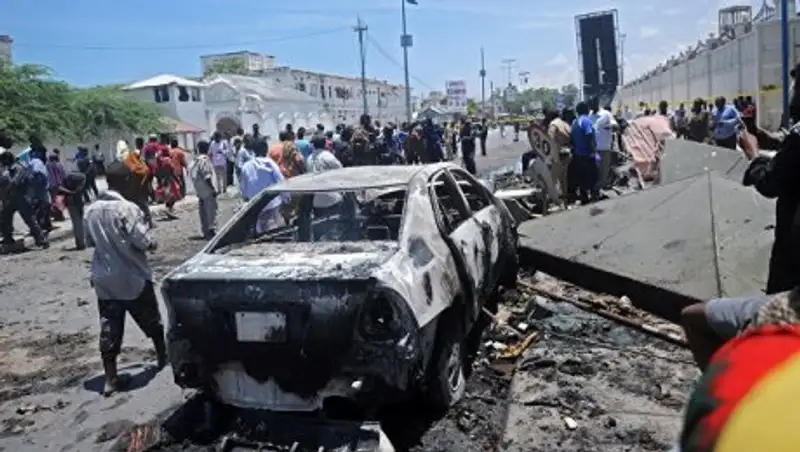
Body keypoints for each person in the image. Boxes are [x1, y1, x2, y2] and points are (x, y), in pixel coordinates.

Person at [680, 74, 800, 371]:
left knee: (698, 319)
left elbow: (769, 183)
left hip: (793, 266)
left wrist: (754, 156)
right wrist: (782, 145)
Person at [84, 177, 167, 396]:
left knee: (109, 325)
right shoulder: (126, 208)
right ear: (126, 184)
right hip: (132, 275)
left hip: (104, 276)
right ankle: (162, 358)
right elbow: (142, 240)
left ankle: (110, 377)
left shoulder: (90, 211)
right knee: (152, 320)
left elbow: (89, 241)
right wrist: (153, 242)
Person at [0, 148, 49, 248]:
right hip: (11, 198)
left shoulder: (19, 168)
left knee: (30, 220)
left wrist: (5, 177)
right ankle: (8, 238)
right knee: (4, 218)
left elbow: (14, 182)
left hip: (22, 198)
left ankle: (41, 240)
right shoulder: (9, 170)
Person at [239, 139, 287, 232]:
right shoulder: (270, 163)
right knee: (275, 229)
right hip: (272, 203)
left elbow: (243, 189)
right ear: (266, 149)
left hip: (255, 203)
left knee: (259, 229)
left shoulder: (246, 166)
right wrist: (286, 198)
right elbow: (281, 181)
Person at [569, 101, 599, 204]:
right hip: (587, 154)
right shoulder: (586, 120)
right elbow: (589, 134)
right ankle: (594, 196)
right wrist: (592, 150)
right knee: (593, 175)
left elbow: (571, 139)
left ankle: (584, 197)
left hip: (578, 155)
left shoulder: (574, 122)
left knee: (582, 177)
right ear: (586, 110)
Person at [189, 140, 218, 239]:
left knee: (203, 211)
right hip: (207, 189)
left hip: (199, 190)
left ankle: (205, 229)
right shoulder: (204, 160)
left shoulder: (195, 160)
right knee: (211, 210)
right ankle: (211, 230)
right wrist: (213, 188)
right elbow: (207, 176)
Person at [589, 99, 618, 189]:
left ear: (597, 104)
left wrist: (610, 126)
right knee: (595, 172)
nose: (591, 107)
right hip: (593, 149)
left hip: (604, 148)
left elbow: (616, 126)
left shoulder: (606, 114)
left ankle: (601, 191)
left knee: (603, 172)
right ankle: (597, 191)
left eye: (592, 104)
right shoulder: (589, 115)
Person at [58, 169, 87, 250]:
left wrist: (69, 192)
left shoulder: (66, 179)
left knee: (75, 223)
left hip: (70, 201)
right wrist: (74, 192)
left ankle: (79, 243)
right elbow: (79, 189)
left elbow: (60, 188)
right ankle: (81, 244)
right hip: (76, 201)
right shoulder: (82, 178)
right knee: (79, 223)